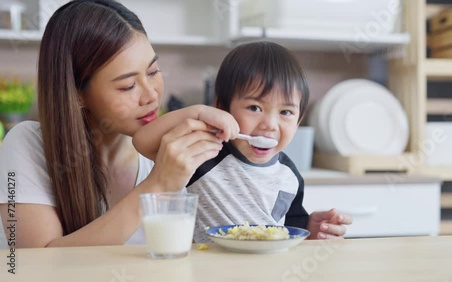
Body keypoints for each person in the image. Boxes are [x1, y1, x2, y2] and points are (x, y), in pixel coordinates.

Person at [0, 0, 239, 248]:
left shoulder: (163, 150)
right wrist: (157, 184)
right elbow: (34, 263)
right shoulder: (26, 144)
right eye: (128, 86)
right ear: (77, 93)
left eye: (153, 72)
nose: (151, 96)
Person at [133, 42, 353, 242]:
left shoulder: (289, 175)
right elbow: (142, 141)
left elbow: (290, 230)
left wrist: (311, 230)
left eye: (285, 112)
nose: (270, 124)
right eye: (254, 108)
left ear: (299, 121)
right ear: (222, 108)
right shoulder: (204, 151)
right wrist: (199, 112)